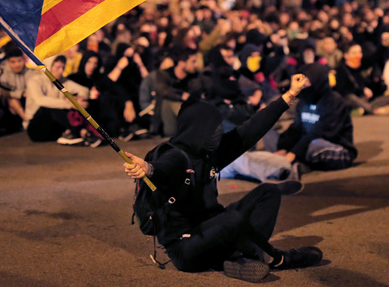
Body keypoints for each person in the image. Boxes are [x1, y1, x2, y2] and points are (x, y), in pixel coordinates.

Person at [123, 74, 322, 282]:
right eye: (214, 127)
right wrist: (148, 169)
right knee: (232, 219)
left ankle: (234, 258)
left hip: (214, 229)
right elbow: (163, 169)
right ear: (198, 130)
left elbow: (253, 128)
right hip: (187, 248)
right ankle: (277, 258)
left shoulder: (211, 149)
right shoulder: (176, 156)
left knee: (268, 192)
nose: (220, 130)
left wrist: (289, 95)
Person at [277, 63, 358, 171]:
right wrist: (283, 148)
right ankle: (298, 162)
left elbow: (320, 132)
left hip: (336, 148)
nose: (301, 85)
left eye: (305, 81)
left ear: (317, 81)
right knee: (272, 134)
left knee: (312, 145)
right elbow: (297, 128)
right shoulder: (303, 101)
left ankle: (297, 162)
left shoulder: (334, 102)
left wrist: (292, 153)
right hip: (309, 142)